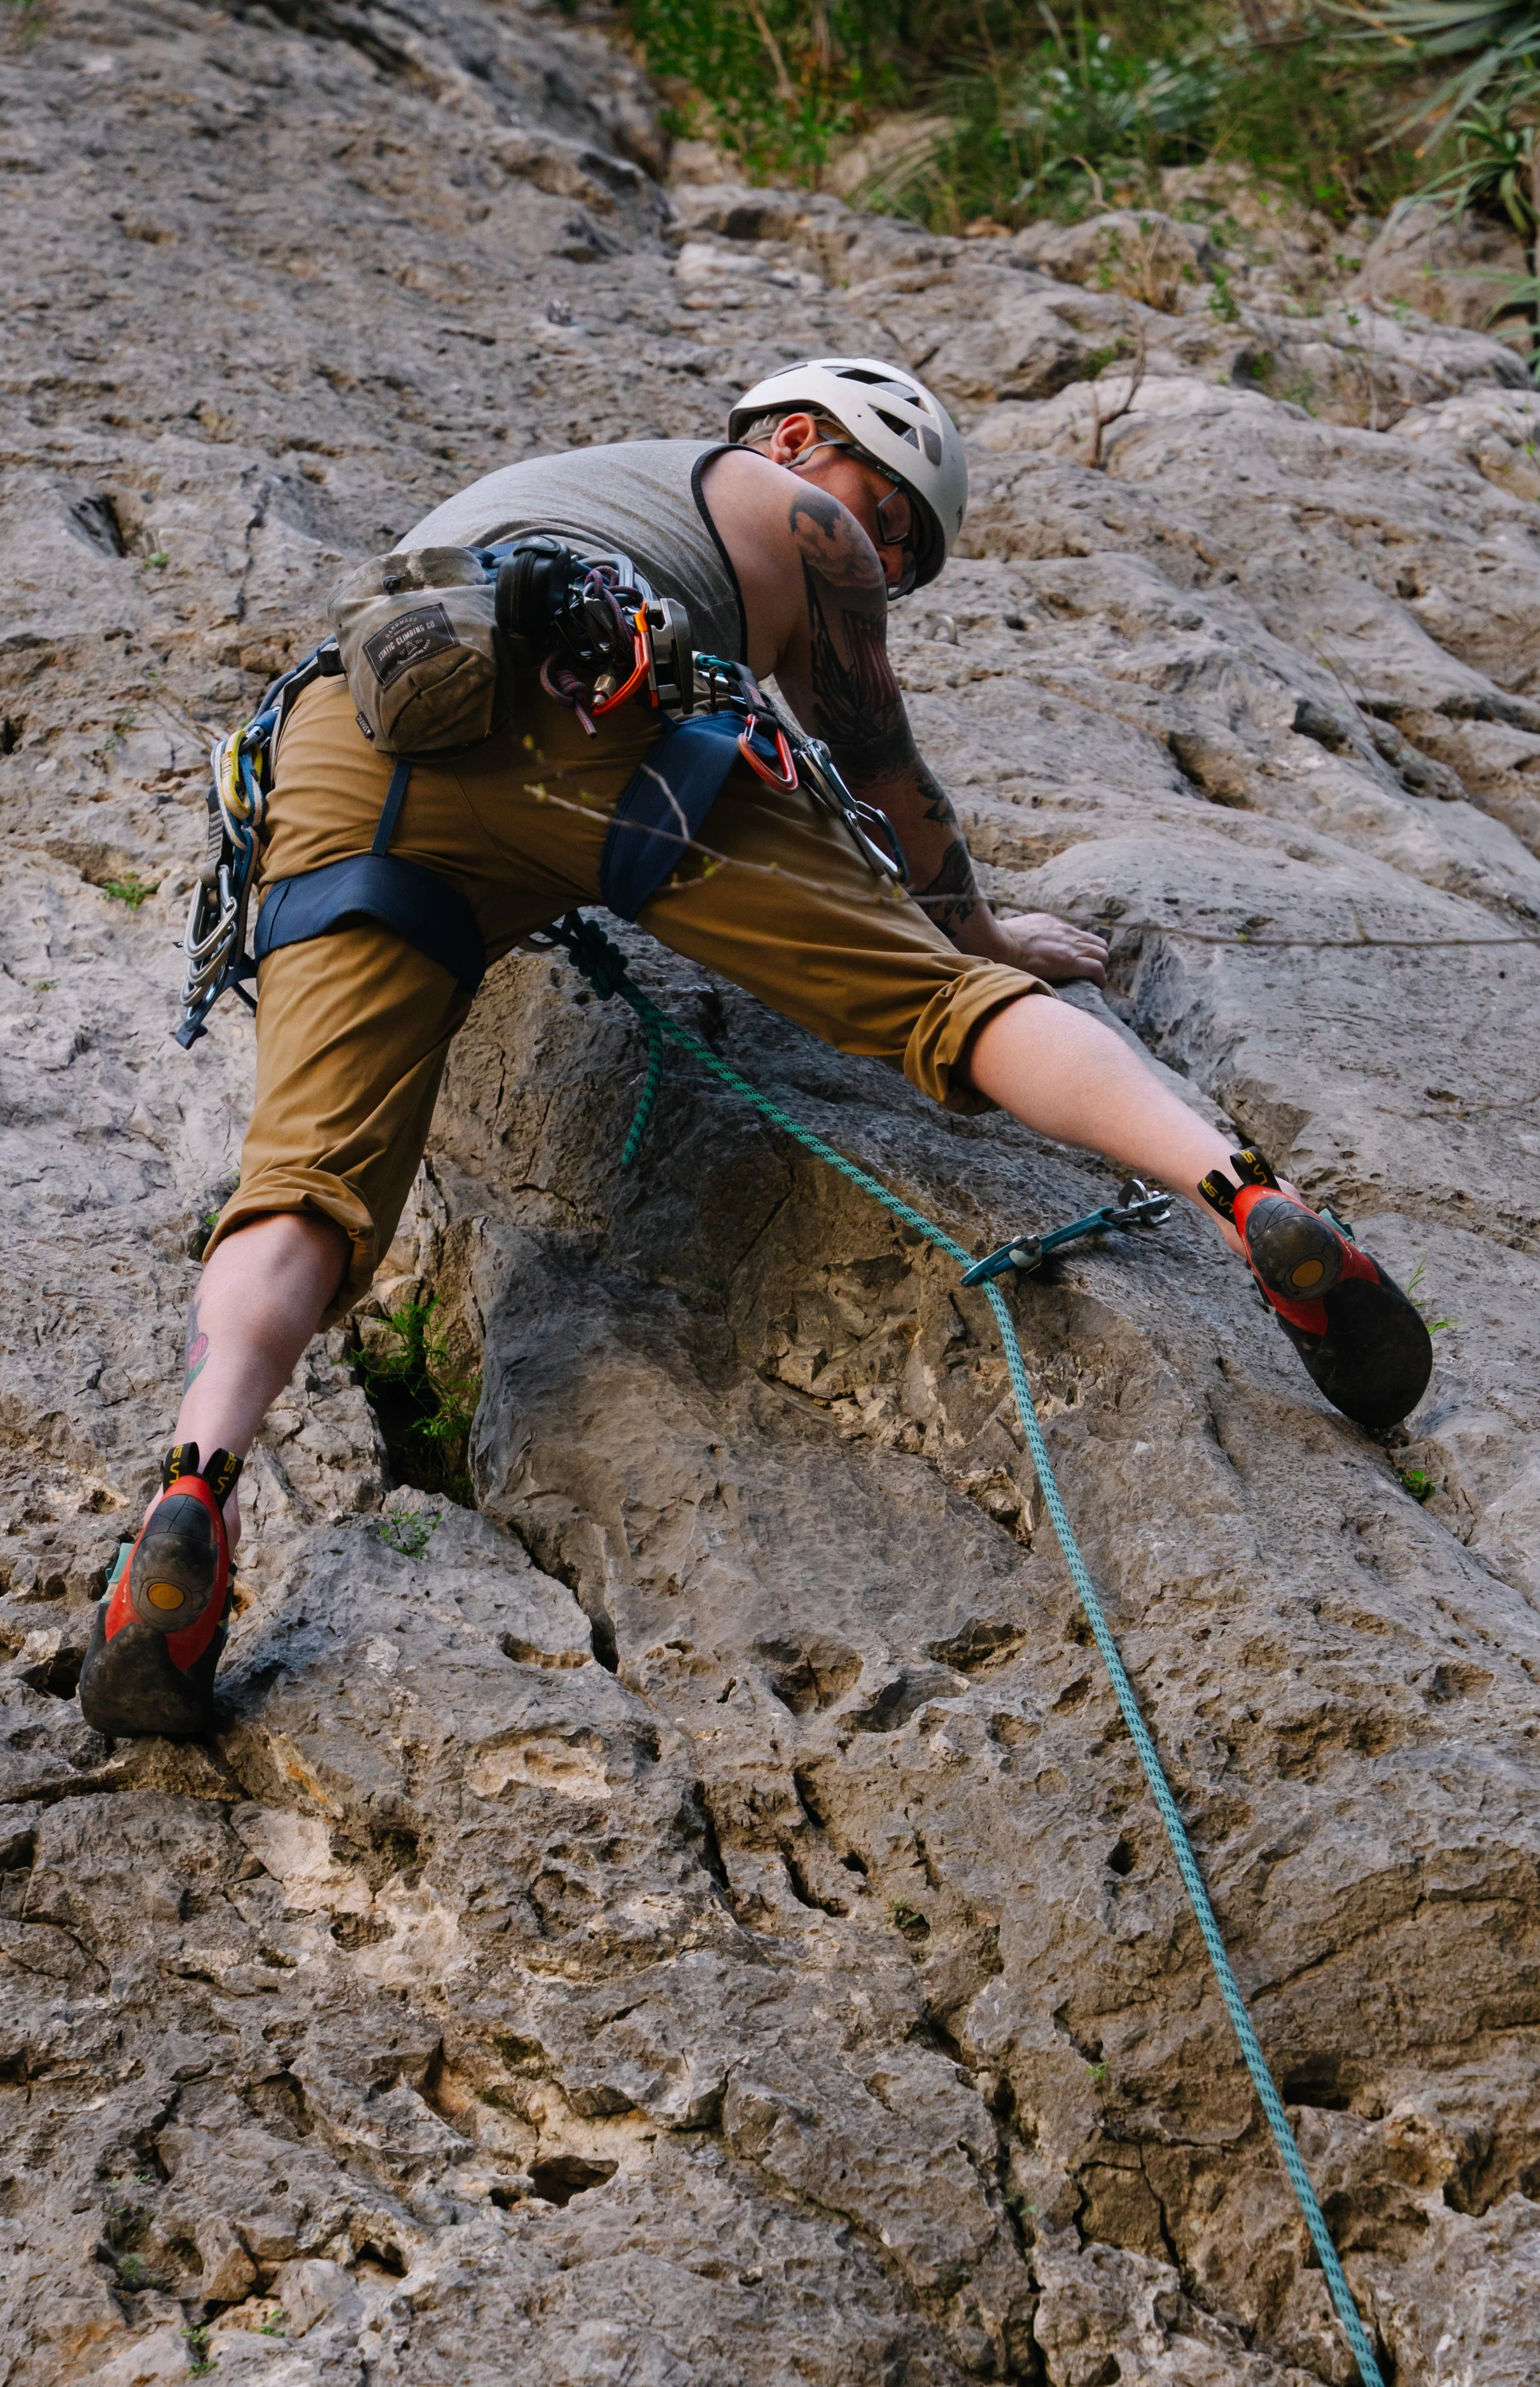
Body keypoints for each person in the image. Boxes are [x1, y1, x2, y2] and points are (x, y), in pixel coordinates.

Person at [77, 358, 1432, 1740]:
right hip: (599, 706)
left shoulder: (547, 495)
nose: (884, 563)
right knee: (935, 1003)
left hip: (345, 750)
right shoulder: (784, 509)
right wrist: (980, 932)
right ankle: (1250, 1202)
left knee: (308, 1175)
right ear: (799, 439)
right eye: (888, 516)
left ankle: (194, 1488)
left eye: (900, 555)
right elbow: (888, 781)